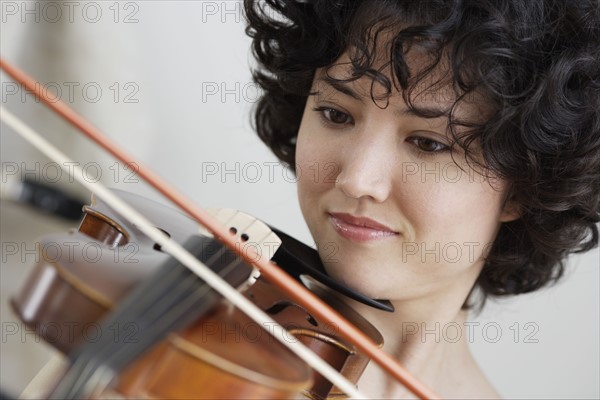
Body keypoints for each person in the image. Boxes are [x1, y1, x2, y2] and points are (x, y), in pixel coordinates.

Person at [243, 0, 600, 398]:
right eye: (335, 114)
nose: (358, 180)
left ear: (522, 187)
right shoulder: (216, 328)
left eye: (429, 143)